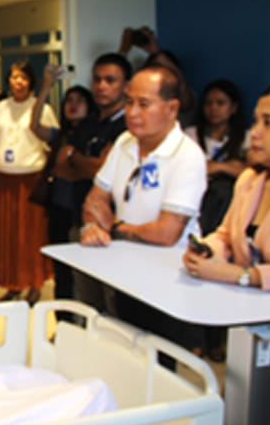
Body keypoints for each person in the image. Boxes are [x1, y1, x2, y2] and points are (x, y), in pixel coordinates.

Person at [181, 81, 270, 425]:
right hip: (251, 332)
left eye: (269, 123)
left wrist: (243, 276)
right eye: (255, 121)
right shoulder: (251, 182)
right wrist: (205, 251)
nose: (254, 132)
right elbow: (226, 235)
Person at [81, 66, 207, 353]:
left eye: (144, 104)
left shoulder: (187, 156)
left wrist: (114, 228)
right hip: (125, 270)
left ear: (172, 108)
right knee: (127, 354)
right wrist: (92, 226)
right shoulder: (125, 143)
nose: (133, 113)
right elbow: (95, 198)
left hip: (168, 279)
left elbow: (166, 233)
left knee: (160, 363)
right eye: (129, 102)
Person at [56, 52, 132, 313]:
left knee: (115, 301)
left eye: (110, 80)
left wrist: (76, 159)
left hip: (113, 227)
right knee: (88, 300)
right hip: (81, 218)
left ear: (126, 85)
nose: (101, 86)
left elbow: (101, 170)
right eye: (97, 79)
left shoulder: (128, 127)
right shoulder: (87, 123)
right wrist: (88, 164)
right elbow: (62, 167)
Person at [0, 61, 58, 305]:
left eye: (24, 78)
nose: (18, 82)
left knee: (31, 235)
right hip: (4, 178)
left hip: (31, 178)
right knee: (8, 235)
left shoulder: (42, 108)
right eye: (14, 77)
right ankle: (12, 284)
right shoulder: (0, 108)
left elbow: (51, 144)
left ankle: (34, 285)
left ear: (31, 82)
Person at [29, 64, 97, 304]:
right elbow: (34, 126)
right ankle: (63, 318)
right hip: (58, 209)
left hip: (82, 212)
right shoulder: (61, 136)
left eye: (80, 101)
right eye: (69, 100)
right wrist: (47, 87)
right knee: (61, 270)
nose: (73, 105)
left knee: (84, 273)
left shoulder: (95, 137)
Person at [185, 79, 249, 235]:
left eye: (220, 103)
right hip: (194, 193)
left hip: (227, 199)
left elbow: (252, 172)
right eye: (208, 103)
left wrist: (220, 167)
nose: (213, 108)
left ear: (233, 108)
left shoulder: (247, 138)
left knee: (222, 189)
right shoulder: (190, 135)